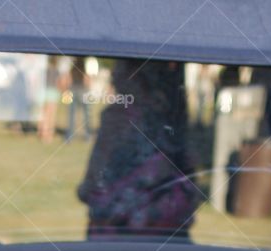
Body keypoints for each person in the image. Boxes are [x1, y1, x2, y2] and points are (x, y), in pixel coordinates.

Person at [77, 60, 200, 238]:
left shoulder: (118, 118)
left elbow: (91, 187)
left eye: (122, 65)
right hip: (167, 240)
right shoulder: (171, 117)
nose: (114, 73)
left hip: (116, 241)